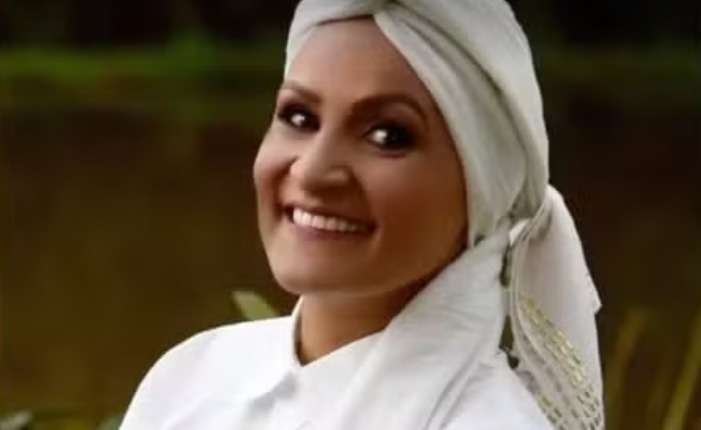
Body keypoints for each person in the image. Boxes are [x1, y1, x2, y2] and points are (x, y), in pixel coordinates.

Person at [120, 1, 604, 429]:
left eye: (387, 136)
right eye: (299, 117)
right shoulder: (192, 380)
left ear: (482, 186)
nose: (312, 171)